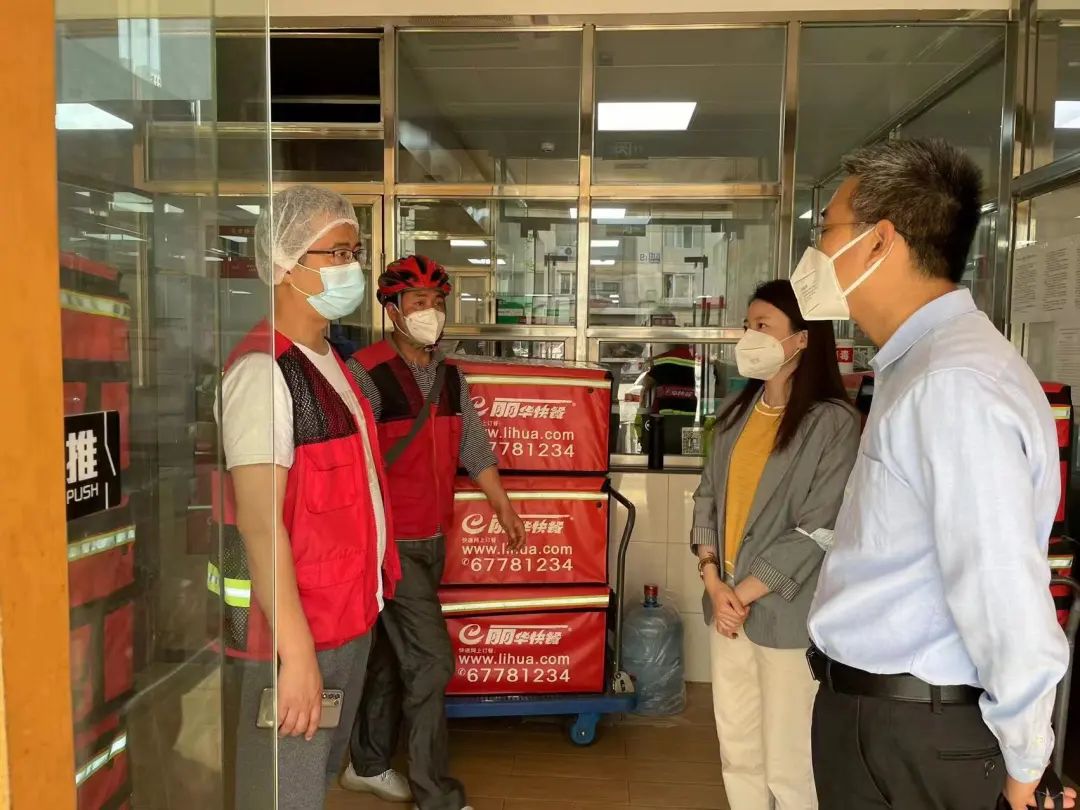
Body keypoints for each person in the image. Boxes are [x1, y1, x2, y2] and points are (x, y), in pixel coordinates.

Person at [801, 139, 1075, 810]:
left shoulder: (954, 382)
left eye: (826, 230)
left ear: (879, 242)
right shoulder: (920, 366)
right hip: (887, 721)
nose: (815, 252)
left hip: (918, 733)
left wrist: (1025, 770)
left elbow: (999, 584)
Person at [214, 184, 399, 809]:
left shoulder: (333, 365)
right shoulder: (263, 373)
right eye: (337, 253)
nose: (353, 268)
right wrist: (294, 657)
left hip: (346, 615)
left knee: (311, 782)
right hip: (294, 632)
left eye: (356, 252)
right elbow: (260, 525)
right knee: (281, 794)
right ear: (286, 264)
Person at [341, 254, 527, 810]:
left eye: (437, 302)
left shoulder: (449, 377)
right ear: (393, 310)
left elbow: (473, 445)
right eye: (418, 302)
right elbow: (349, 462)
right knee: (431, 662)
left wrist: (503, 506)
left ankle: (367, 764)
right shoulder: (365, 373)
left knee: (389, 656)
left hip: (431, 537)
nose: (430, 312)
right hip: (388, 542)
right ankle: (436, 796)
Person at [691, 279, 858, 810]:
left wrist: (740, 594)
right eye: (747, 326)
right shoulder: (735, 415)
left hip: (783, 614)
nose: (749, 336)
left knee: (789, 760)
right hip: (726, 609)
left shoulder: (833, 424)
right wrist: (714, 582)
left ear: (802, 338)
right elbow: (707, 497)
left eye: (762, 326)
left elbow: (818, 529)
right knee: (737, 748)